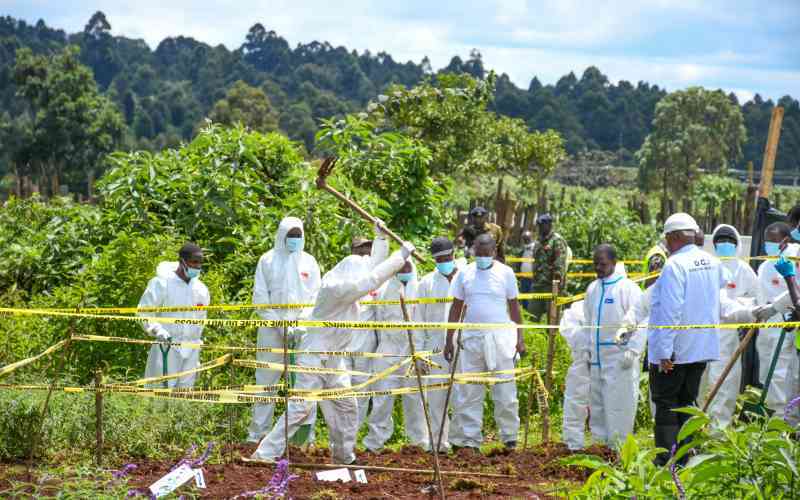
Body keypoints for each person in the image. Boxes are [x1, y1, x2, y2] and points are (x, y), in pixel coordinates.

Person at [251, 227, 415, 464]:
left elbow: (371, 270)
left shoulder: (349, 281)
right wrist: (400, 256)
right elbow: (370, 279)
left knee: (346, 406)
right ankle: (264, 454)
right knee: (301, 408)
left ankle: (343, 457)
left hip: (334, 358)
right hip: (315, 356)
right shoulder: (335, 289)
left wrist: (381, 238)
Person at [648, 213, 726, 466]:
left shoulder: (675, 265)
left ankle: (668, 461)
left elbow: (671, 311)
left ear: (676, 237)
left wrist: (664, 352)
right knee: (688, 402)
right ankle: (687, 456)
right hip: (701, 349)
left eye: (668, 239)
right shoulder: (712, 261)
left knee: (666, 404)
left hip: (676, 351)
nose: (667, 245)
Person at [445, 233, 525, 452]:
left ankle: (509, 438)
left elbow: (514, 307)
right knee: (470, 391)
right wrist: (449, 339)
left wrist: (520, 338)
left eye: (485, 254)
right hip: (472, 339)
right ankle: (471, 441)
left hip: (500, 339)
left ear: (494, 252)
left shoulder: (506, 273)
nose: (481, 258)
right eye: (477, 254)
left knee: (505, 389)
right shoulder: (465, 273)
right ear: (473, 252)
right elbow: (456, 307)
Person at [247, 217, 322, 443]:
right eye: (291, 235)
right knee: (266, 382)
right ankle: (257, 435)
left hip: (302, 332)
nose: (295, 240)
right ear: (282, 236)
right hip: (272, 330)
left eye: (299, 235)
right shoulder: (267, 260)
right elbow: (260, 298)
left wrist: (299, 324)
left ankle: (303, 438)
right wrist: (279, 325)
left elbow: (316, 298)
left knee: (305, 383)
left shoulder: (309, 262)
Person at [363, 260, 428, 451]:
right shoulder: (383, 291)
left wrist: (421, 354)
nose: (405, 270)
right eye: (400, 267)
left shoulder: (421, 289)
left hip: (413, 350)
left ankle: (418, 443)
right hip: (388, 350)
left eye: (408, 266)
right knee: (382, 399)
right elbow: (377, 321)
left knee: (415, 399)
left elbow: (424, 323)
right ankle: (374, 442)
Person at [583, 244, 644, 447]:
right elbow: (588, 322)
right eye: (596, 264)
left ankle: (618, 452)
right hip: (597, 359)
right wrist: (587, 351)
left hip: (619, 359)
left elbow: (641, 320)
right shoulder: (592, 289)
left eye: (603, 264)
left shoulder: (627, 288)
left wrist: (633, 350)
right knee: (598, 407)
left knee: (619, 406)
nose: (598, 268)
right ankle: (600, 450)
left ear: (614, 263)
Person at [698, 225, 758, 427]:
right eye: (720, 241)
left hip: (729, 334)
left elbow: (755, 301)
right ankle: (694, 428)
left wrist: (739, 309)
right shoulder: (707, 266)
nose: (724, 245)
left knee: (725, 383)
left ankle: (718, 430)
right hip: (702, 332)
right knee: (698, 381)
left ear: (737, 244)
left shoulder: (745, 270)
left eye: (729, 242)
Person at [138, 243, 210, 389]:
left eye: (200, 263)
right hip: (167, 346)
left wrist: (196, 348)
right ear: (182, 261)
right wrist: (157, 330)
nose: (197, 266)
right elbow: (144, 312)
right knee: (159, 393)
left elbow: (201, 320)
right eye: (194, 262)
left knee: (184, 397)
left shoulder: (201, 289)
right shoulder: (161, 283)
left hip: (190, 349)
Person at [413, 237, 461, 452]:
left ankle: (463, 443)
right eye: (440, 259)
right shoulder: (426, 283)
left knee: (463, 395)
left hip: (463, 345)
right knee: (436, 397)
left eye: (448, 257)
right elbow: (418, 321)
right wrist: (420, 353)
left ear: (454, 254)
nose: (445, 262)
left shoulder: (466, 277)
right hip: (435, 348)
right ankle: (438, 443)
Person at [753, 222, 800, 425]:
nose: (770, 244)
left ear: (786, 239)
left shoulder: (794, 255)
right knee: (768, 374)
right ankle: (776, 417)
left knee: (784, 374)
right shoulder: (764, 265)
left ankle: (785, 419)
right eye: (767, 240)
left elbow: (795, 290)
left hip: (788, 326)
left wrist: (775, 307)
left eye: (774, 240)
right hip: (766, 327)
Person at [347, 228, 389, 430]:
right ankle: (342, 431)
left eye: (367, 250)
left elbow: (382, 258)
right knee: (342, 388)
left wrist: (381, 237)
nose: (364, 254)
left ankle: (355, 432)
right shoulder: (343, 274)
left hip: (366, 343)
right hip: (342, 342)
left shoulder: (376, 280)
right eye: (360, 250)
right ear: (352, 252)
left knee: (362, 388)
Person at [559, 299, 588, 450]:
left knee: (609, 405)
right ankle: (573, 445)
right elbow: (568, 326)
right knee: (575, 400)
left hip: (611, 361)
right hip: (582, 360)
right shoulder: (580, 306)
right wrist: (585, 345)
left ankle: (609, 448)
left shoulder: (626, 292)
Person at [529, 214, 570, 321]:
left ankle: (552, 337)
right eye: (539, 225)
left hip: (551, 286)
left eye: (543, 225)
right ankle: (534, 337)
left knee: (552, 318)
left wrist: (556, 285)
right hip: (538, 285)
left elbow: (559, 265)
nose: (540, 227)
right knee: (532, 315)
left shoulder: (557, 241)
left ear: (549, 225)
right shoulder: (538, 241)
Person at [518, 230, 535, 309]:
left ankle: (529, 313)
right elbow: (519, 262)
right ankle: (525, 313)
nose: (526, 240)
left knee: (530, 297)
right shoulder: (523, 249)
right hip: (523, 277)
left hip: (533, 278)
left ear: (531, 238)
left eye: (527, 239)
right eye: (524, 239)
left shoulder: (535, 248)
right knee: (524, 295)